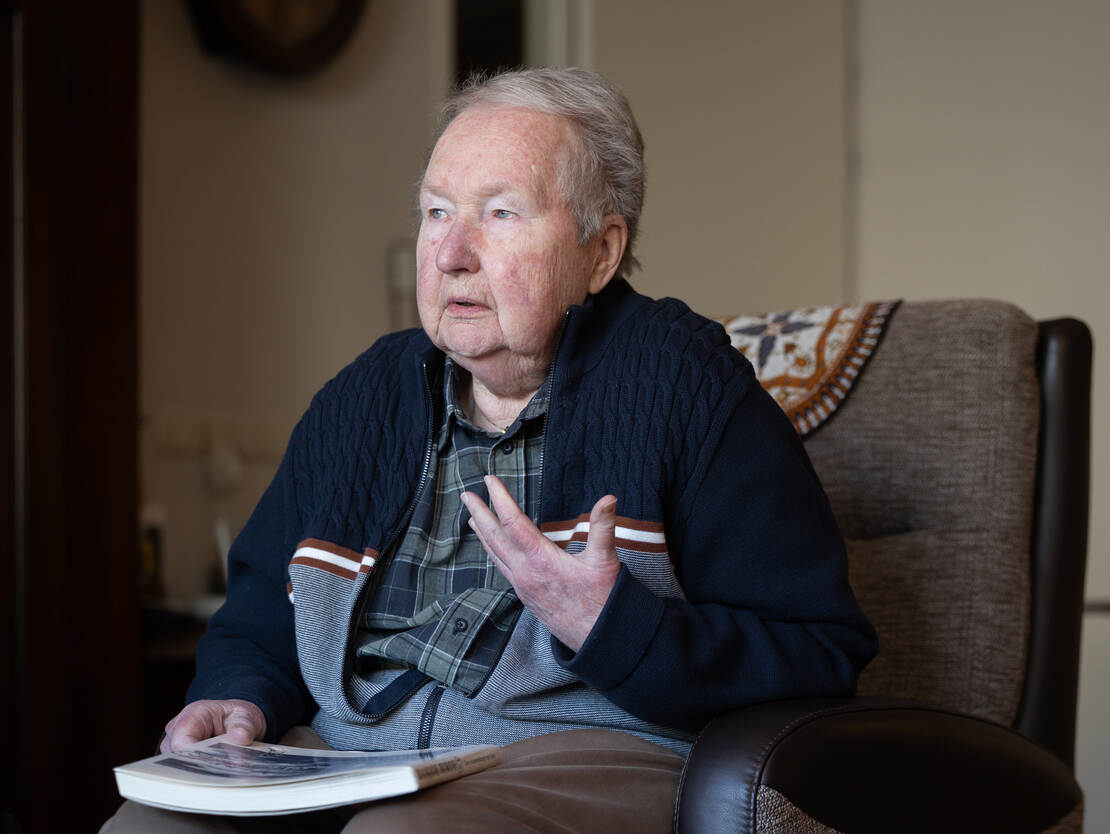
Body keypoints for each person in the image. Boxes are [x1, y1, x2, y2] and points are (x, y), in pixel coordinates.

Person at [104, 67, 876, 833]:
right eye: (436, 212)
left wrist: (611, 624)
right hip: (347, 756)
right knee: (149, 826)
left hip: (579, 755)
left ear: (601, 252)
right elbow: (258, 613)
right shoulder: (362, 399)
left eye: (500, 214)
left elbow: (820, 650)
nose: (450, 254)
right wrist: (238, 693)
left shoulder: (686, 388)